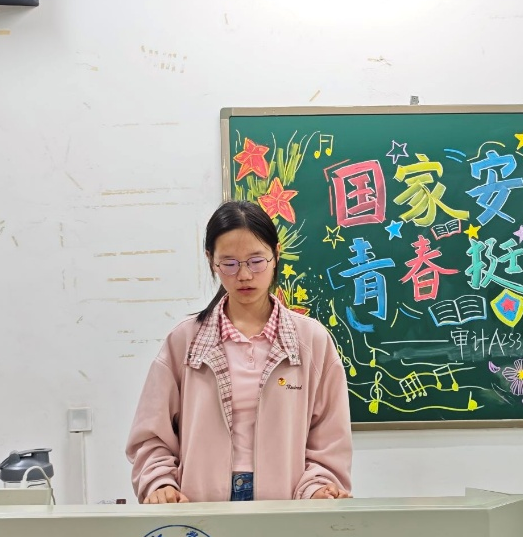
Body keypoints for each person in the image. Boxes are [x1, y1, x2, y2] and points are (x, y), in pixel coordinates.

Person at [127, 201, 353, 504]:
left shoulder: (312, 341)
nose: (244, 275)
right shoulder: (184, 341)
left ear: (276, 254)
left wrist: (319, 487)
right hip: (200, 503)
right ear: (211, 260)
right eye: (229, 264)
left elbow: (330, 437)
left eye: (256, 261)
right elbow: (151, 434)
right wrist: (160, 483)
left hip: (285, 505)